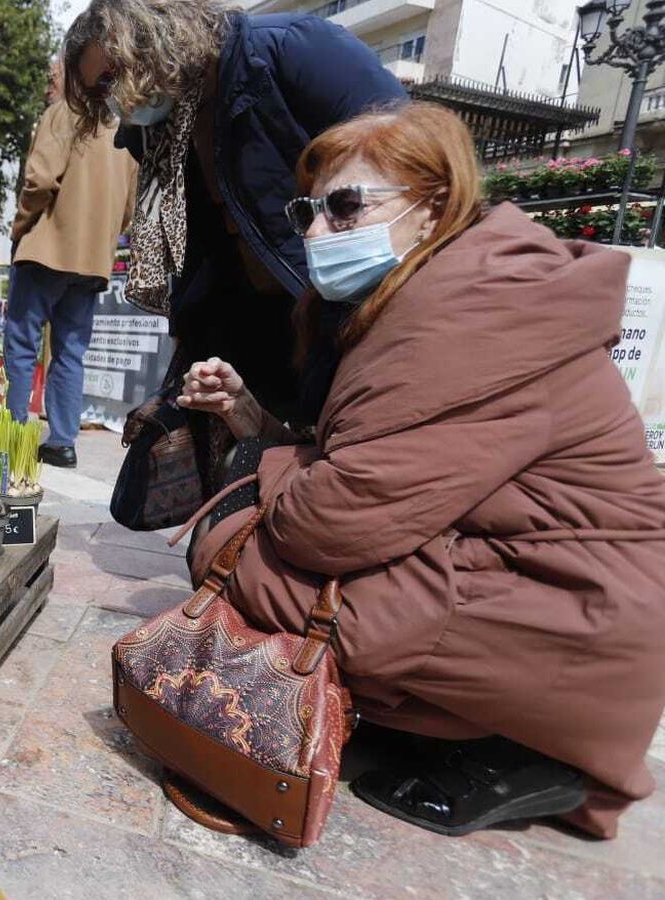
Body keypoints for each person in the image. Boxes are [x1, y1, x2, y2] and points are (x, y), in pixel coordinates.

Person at [179, 103, 665, 840]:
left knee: (232, 547)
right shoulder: (443, 287)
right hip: (557, 591)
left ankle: (521, 746)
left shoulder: (467, 310)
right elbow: (381, 467)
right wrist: (254, 424)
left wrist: (260, 466)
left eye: (345, 207)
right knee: (253, 530)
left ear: (431, 208)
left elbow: (335, 523)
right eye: (308, 210)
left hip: (577, 612)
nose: (315, 233)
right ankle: (450, 726)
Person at [63, 0, 406, 495]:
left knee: (330, 480)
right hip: (253, 327)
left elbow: (411, 161)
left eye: (112, 75)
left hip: (338, 311)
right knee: (236, 494)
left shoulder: (295, 52)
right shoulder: (161, 126)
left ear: (152, 35)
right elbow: (201, 245)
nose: (114, 97)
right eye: (101, 89)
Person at [5, 69, 137, 469]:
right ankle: (62, 442)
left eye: (52, 76)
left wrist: (21, 224)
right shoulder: (121, 124)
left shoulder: (63, 112)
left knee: (22, 345)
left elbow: (40, 178)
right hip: (92, 259)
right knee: (70, 351)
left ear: (73, 72)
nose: (47, 84)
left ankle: (14, 436)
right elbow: (129, 208)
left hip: (46, 247)